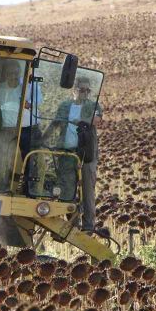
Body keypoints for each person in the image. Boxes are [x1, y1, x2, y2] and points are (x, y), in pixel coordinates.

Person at [48, 76, 103, 233]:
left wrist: (80, 120)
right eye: (82, 90)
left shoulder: (94, 105)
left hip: (87, 153)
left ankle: (88, 226)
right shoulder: (65, 106)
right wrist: (43, 138)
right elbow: (55, 123)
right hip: (67, 151)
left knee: (87, 189)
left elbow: (96, 119)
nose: (85, 93)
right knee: (67, 188)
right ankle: (72, 224)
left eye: (88, 90)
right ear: (74, 90)